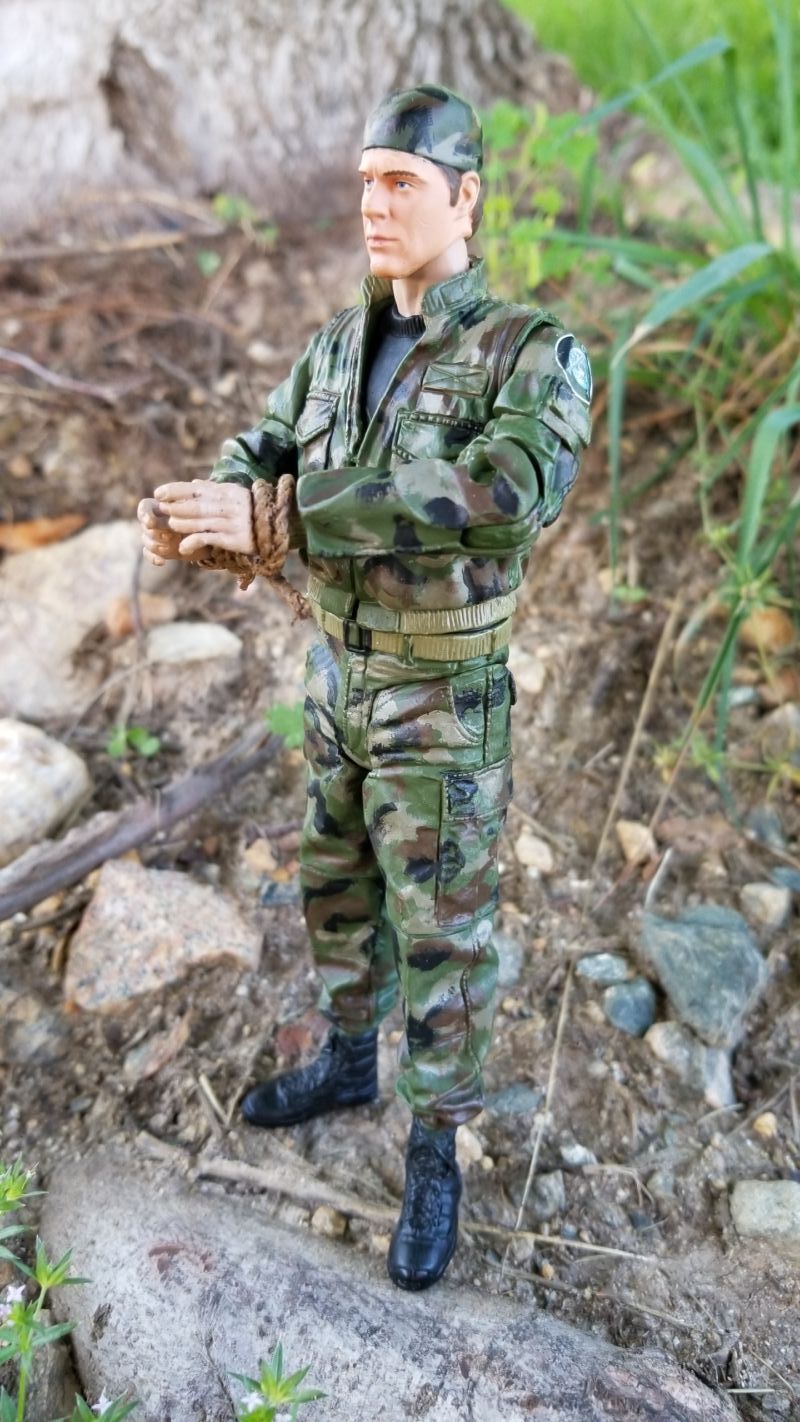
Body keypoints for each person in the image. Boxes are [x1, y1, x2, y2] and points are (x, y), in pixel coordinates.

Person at [138, 84, 592, 1291]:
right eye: (363, 182)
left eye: (401, 181)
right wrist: (207, 508)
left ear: (464, 196)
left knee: (442, 935)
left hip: (441, 699)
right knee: (334, 884)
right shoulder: (339, 345)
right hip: (340, 675)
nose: (373, 205)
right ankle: (348, 1059)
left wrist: (288, 517)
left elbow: (503, 493)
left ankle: (434, 1149)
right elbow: (266, 446)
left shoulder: (530, 352)